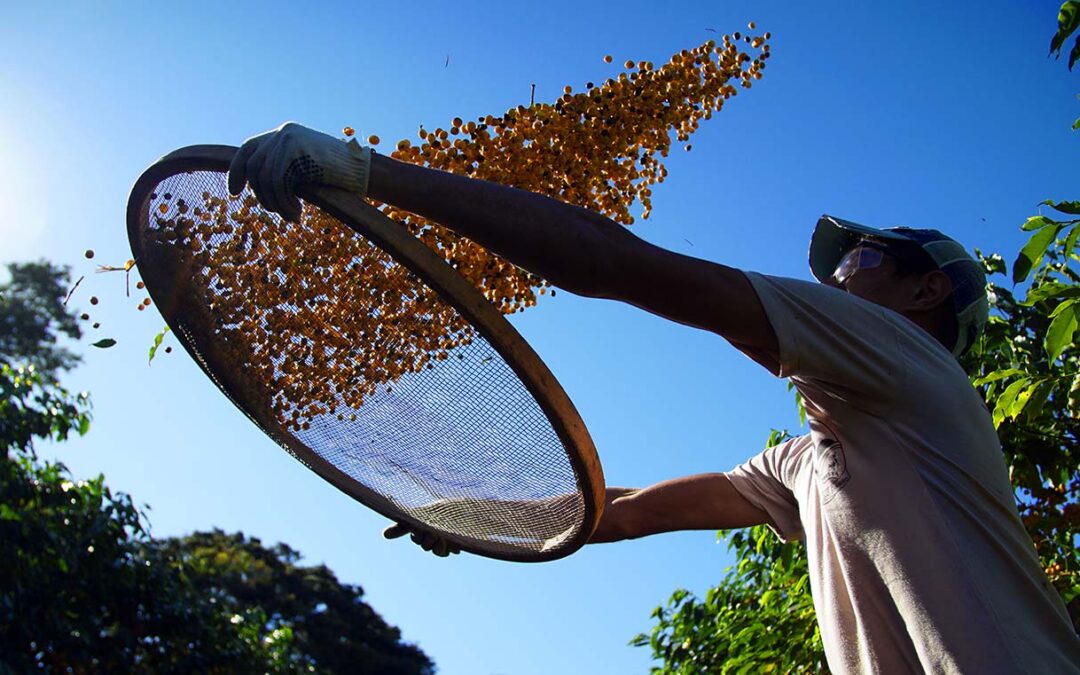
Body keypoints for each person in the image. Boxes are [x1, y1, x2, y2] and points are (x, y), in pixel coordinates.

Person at [228, 122, 1080, 673]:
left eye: (860, 259)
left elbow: (621, 264)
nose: (836, 275)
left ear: (927, 292)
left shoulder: (910, 362)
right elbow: (623, 508)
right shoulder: (811, 460)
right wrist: (478, 514)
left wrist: (364, 171)